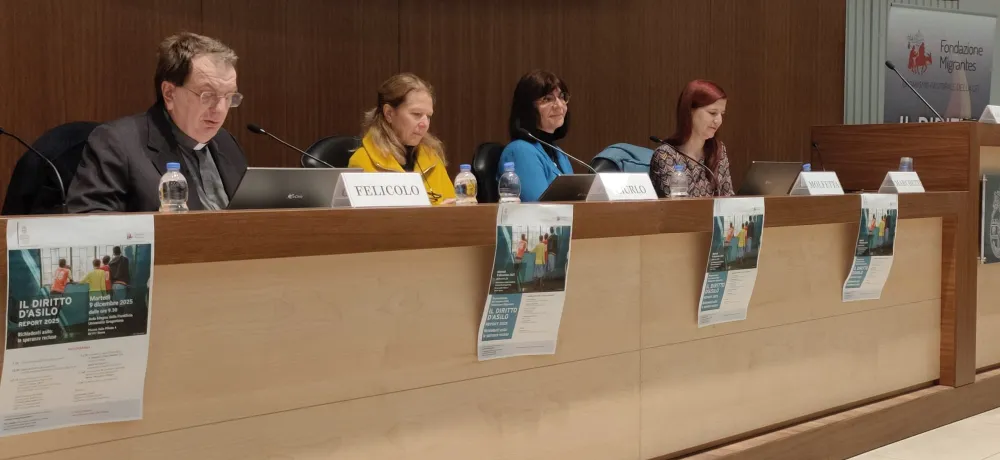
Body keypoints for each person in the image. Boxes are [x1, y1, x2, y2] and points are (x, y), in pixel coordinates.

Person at [67, 32, 248, 213]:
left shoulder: (226, 143)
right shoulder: (117, 143)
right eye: (207, 95)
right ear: (169, 94)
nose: (220, 109)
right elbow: (91, 218)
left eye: (229, 96)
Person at [349, 73, 455, 205]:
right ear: (389, 114)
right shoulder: (362, 161)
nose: (425, 124)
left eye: (428, 116)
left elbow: (454, 207)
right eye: (416, 114)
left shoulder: (431, 157)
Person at [650, 80, 735, 198]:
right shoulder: (665, 156)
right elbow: (676, 205)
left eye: (722, 114)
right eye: (712, 113)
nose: (719, 121)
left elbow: (728, 197)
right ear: (690, 111)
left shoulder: (718, 150)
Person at [498, 70, 574, 202]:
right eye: (547, 99)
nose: (559, 106)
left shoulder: (559, 153)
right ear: (528, 108)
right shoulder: (520, 151)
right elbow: (539, 206)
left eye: (562, 97)